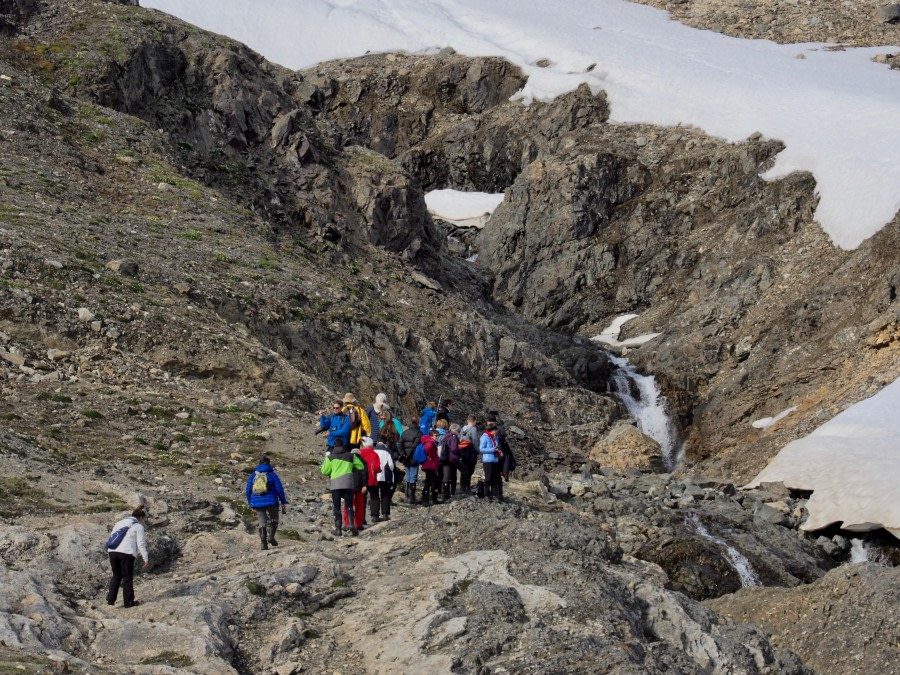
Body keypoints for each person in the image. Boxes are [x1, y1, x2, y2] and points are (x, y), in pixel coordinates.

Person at [106, 504, 150, 608]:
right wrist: (146, 558)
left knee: (116, 575)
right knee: (127, 577)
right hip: (127, 553)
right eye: (144, 519)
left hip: (112, 551)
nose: (144, 522)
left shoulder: (119, 523)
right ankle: (128, 602)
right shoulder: (138, 526)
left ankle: (110, 600)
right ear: (141, 517)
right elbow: (141, 544)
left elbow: (112, 537)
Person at [322, 438, 365, 536]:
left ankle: (338, 530)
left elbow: (324, 471)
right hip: (348, 483)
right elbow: (361, 466)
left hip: (336, 484)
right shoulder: (351, 456)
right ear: (343, 445)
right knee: (349, 505)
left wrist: (328, 462)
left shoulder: (330, 458)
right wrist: (352, 467)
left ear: (334, 446)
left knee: (337, 506)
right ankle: (351, 524)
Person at [245, 454, 288, 550]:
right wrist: (283, 502)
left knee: (262, 521)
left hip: (257, 501)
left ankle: (263, 544)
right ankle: (271, 536)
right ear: (269, 464)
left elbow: (248, 491)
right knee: (274, 517)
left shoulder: (253, 475)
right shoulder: (272, 474)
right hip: (271, 501)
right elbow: (279, 489)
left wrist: (251, 503)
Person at [399, 416, 421, 504]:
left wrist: (403, 454)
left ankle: (408, 496)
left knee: (408, 477)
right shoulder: (419, 433)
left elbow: (400, 444)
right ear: (418, 423)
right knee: (413, 477)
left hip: (406, 458)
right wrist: (408, 454)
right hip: (414, 458)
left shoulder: (405, 432)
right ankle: (411, 498)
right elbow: (415, 446)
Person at [372, 440, 395, 521]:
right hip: (384, 476)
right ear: (385, 442)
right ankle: (385, 514)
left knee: (374, 496)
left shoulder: (373, 450)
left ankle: (374, 515)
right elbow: (391, 465)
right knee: (385, 495)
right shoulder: (387, 451)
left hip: (374, 475)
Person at [480, 420, 502, 502]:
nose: (496, 432)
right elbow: (481, 449)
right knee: (488, 478)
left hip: (495, 460)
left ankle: (495, 494)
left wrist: (499, 452)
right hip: (488, 460)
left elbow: (497, 447)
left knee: (495, 478)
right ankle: (486, 494)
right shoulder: (484, 437)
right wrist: (492, 450)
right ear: (492, 430)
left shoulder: (495, 437)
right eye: (495, 431)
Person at [459, 415, 479, 494]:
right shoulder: (473, 429)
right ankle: (467, 487)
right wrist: (478, 451)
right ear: (474, 421)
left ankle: (462, 486)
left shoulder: (462, 429)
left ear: (467, 421)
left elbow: (460, 439)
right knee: (470, 469)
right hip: (470, 452)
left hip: (463, 451)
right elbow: (474, 441)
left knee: (464, 468)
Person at [420, 428, 441, 506]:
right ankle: (429, 500)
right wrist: (432, 456)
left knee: (431, 482)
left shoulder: (428, 441)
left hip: (428, 465)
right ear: (431, 436)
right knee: (432, 482)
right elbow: (428, 449)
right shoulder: (430, 442)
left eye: (438, 435)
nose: (437, 437)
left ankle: (428, 499)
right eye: (436, 435)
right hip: (430, 465)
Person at [442, 423, 461, 500]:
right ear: (456, 430)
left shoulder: (446, 436)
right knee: (453, 476)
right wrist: (460, 450)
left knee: (446, 476)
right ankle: (451, 493)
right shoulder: (453, 437)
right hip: (452, 459)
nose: (459, 433)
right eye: (458, 431)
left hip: (444, 458)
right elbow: (454, 449)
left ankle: (445, 493)